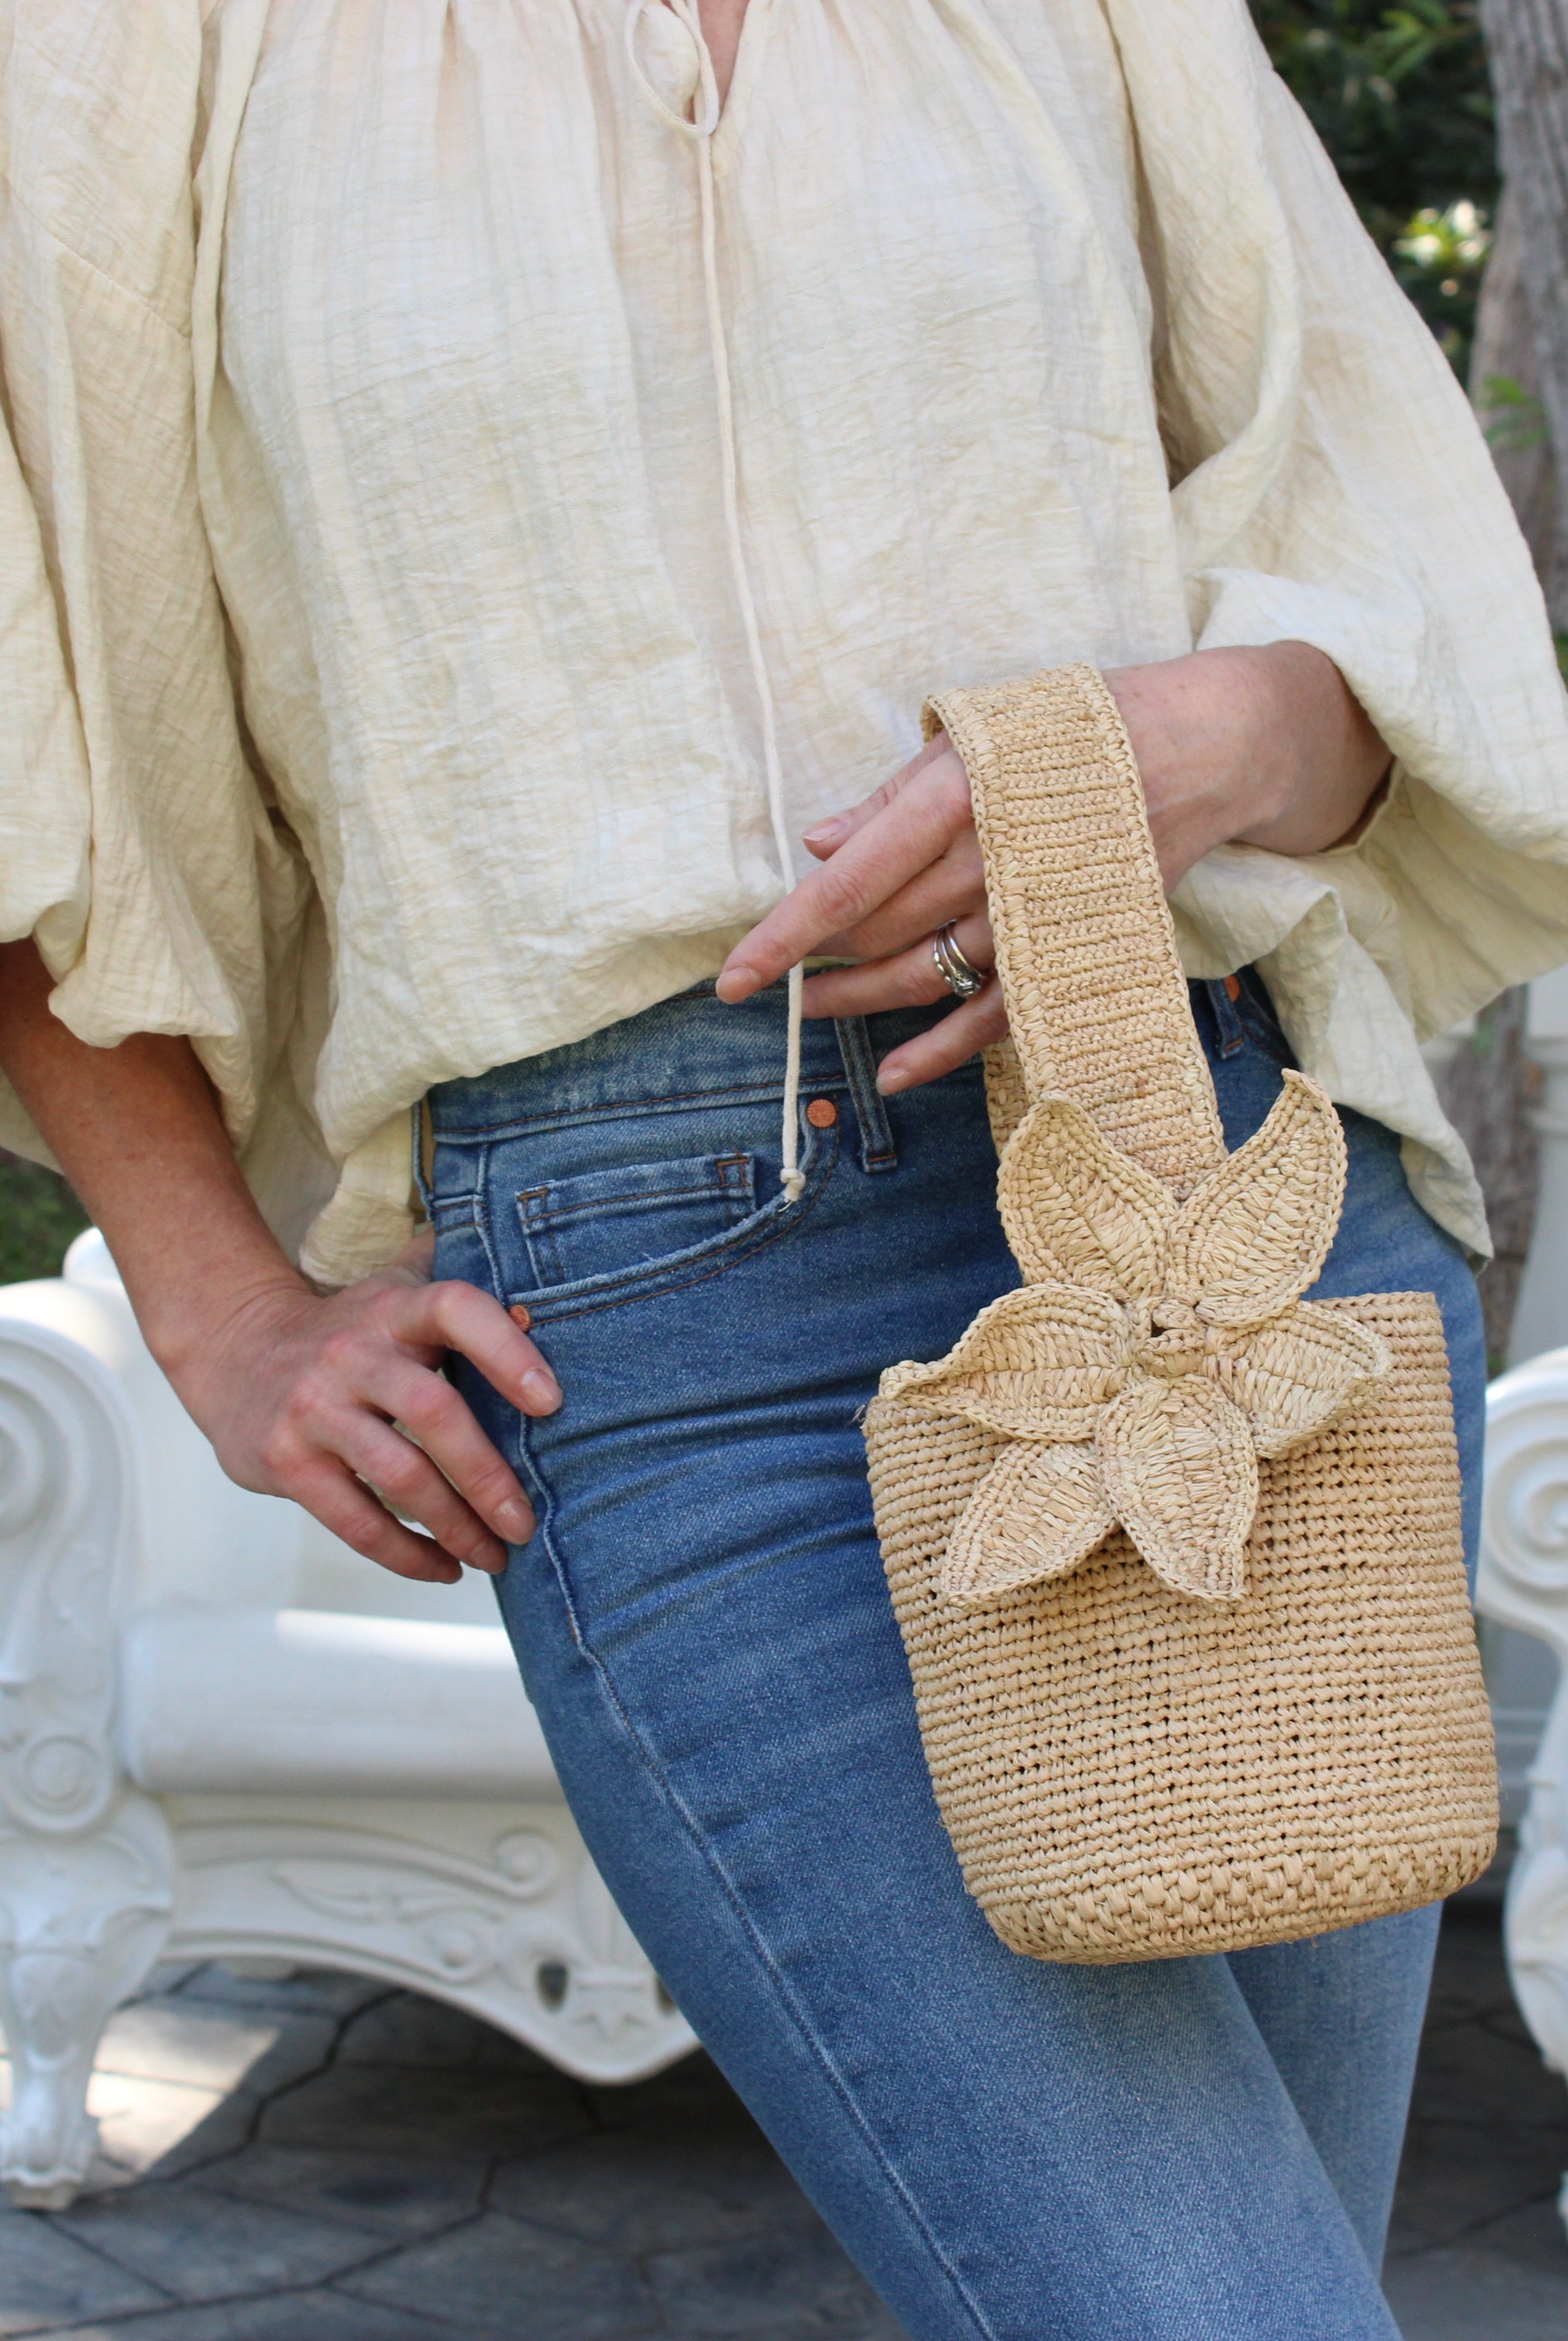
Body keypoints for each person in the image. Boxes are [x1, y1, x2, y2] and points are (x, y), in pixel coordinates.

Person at [2, 3, 1565, 2332]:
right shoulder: (131, 46)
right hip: (664, 1322)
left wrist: (1209, 736)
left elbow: (1389, 589)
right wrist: (219, 1303)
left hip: (1230, 1232)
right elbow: (36, 679)